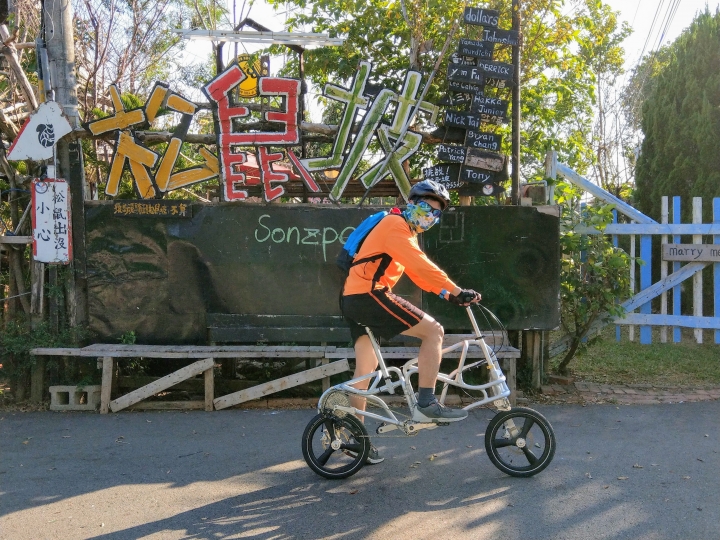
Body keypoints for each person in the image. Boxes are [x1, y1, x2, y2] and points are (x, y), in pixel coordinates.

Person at [340, 180, 481, 464]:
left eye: (436, 213)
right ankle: (426, 403)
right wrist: (455, 290)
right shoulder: (395, 225)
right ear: (412, 203)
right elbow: (420, 266)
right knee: (434, 332)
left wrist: (447, 294)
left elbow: (418, 275)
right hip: (369, 294)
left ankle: (354, 438)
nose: (430, 215)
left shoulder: (403, 231)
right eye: (426, 207)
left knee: (364, 371)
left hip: (354, 297)